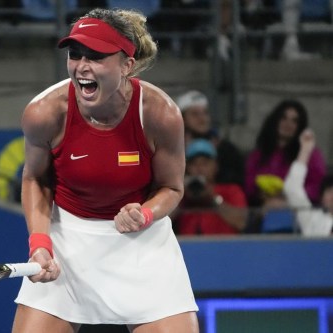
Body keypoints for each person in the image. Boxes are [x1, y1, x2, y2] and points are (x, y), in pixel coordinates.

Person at [12, 7, 199, 333]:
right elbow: (35, 178)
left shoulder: (160, 114)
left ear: (127, 65)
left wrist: (145, 214)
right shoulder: (43, 112)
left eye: (96, 56)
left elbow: (172, 188)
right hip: (67, 243)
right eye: (75, 54)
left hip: (142, 244)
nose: (82, 66)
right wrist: (40, 243)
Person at [244, 99, 326, 207]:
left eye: (294, 121)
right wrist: (261, 194)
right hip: (261, 209)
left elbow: (318, 186)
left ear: (300, 126)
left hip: (299, 211)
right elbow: (248, 185)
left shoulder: (309, 153)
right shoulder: (258, 154)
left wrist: (286, 197)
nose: (288, 124)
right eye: (284, 118)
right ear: (275, 121)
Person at [174, 139, 248, 235]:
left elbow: (241, 223)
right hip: (187, 246)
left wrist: (213, 198)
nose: (199, 168)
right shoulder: (181, 192)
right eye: (194, 164)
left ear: (216, 166)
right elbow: (161, 221)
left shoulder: (231, 190)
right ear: (186, 167)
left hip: (223, 246)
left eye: (205, 163)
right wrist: (181, 198)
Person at [176, 89, 245, 187]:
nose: (202, 119)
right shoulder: (172, 148)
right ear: (182, 118)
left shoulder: (225, 148)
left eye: (205, 113)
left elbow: (236, 180)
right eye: (195, 114)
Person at [283, 128, 333, 236]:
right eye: (329, 191)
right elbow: (292, 189)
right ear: (322, 198)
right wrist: (305, 150)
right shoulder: (313, 219)